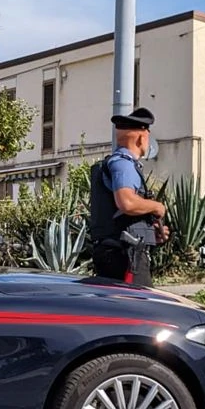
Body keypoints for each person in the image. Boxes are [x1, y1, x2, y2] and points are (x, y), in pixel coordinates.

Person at [87, 106, 168, 286]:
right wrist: (156, 206)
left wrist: (149, 233)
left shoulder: (116, 163)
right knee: (138, 308)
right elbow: (127, 203)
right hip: (124, 256)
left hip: (118, 252)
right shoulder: (123, 164)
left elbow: (121, 215)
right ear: (141, 137)